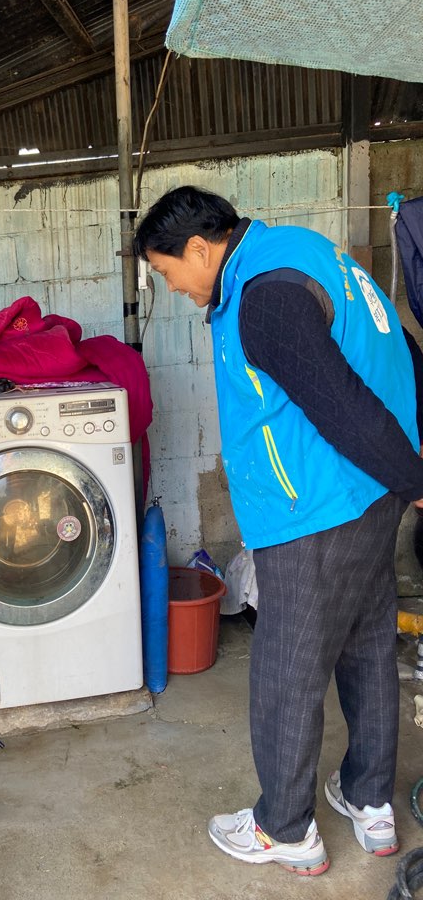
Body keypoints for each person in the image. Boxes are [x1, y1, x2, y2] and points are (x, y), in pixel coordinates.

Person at [133, 186, 423, 876]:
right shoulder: (305, 251)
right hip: (370, 495)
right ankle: (370, 801)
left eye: (168, 273)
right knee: (366, 641)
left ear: (199, 248)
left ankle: (285, 828)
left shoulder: (265, 299)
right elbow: (402, 345)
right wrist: (406, 471)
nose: (173, 288)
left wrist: (417, 481)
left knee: (287, 668)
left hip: (315, 510)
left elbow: (343, 405)